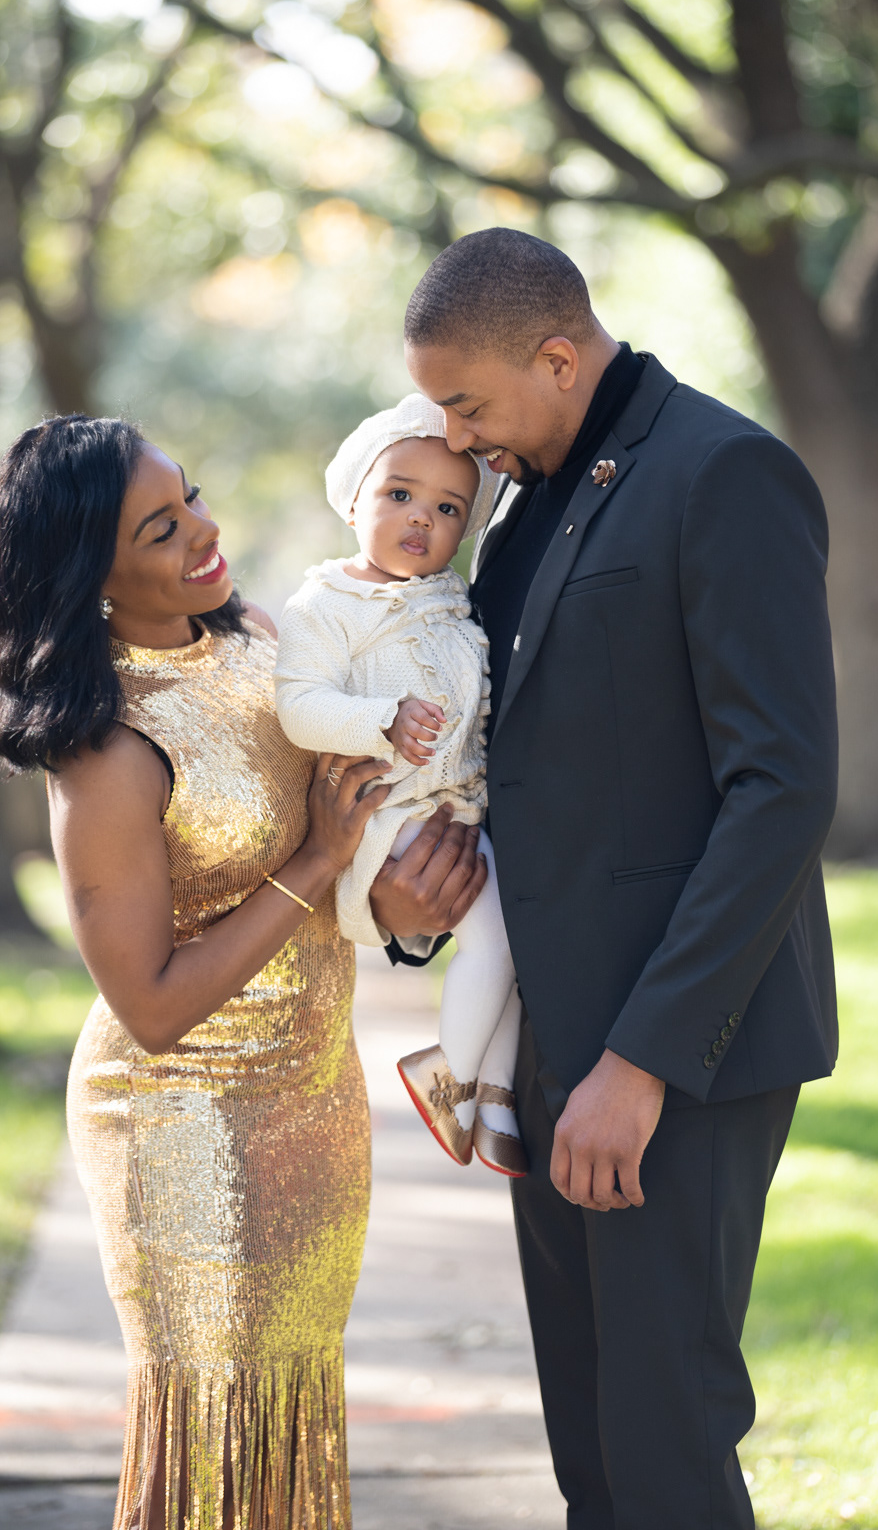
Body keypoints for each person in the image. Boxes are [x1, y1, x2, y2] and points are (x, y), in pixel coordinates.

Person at [0, 414, 487, 1530]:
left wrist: (398, 905)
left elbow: (350, 835)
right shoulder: (104, 747)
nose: (202, 530)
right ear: (90, 578)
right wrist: (318, 862)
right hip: (182, 1118)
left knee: (289, 1421)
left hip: (315, 1093)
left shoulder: (259, 640)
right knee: (212, 1439)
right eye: (159, 529)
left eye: (188, 495)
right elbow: (149, 1005)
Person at [381, 227, 839, 1530]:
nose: (454, 439)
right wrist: (412, 908)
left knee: (661, 1444)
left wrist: (637, 1066)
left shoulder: (725, 472)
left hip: (678, 1053)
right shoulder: (523, 501)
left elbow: (780, 789)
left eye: (467, 404)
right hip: (549, 1046)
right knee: (589, 1450)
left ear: (556, 357)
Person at [274, 393, 526, 1176]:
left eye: (448, 508)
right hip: (391, 813)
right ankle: (445, 1071)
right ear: (354, 500)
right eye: (398, 494)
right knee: (495, 939)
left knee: (521, 944)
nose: (421, 516)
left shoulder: (452, 601)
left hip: (455, 809)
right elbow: (298, 706)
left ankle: (494, 1098)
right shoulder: (327, 604)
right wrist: (380, 720)